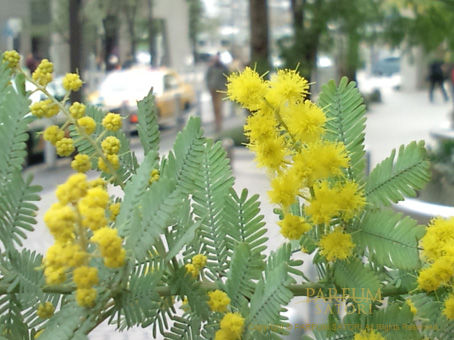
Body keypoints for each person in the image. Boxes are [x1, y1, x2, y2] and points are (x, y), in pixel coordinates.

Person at [206, 53, 229, 133]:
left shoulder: (223, 68)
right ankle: (217, 123)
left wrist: (226, 88)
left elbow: (227, 78)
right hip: (213, 89)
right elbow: (207, 77)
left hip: (221, 89)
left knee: (219, 107)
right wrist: (209, 86)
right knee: (215, 108)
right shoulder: (211, 67)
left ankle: (219, 124)